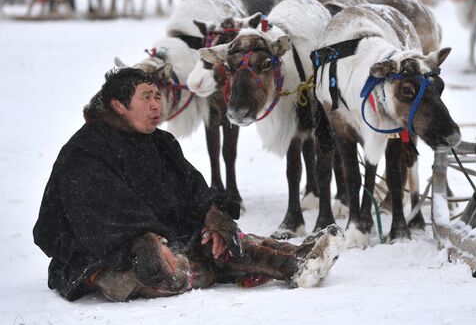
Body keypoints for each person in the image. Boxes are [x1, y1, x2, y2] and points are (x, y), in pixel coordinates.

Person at [33, 68, 344, 302]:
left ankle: (296, 258)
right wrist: (142, 241)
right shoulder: (87, 150)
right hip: (100, 257)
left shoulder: (160, 142)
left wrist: (213, 218)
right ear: (118, 105)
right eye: (146, 97)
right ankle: (287, 265)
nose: (156, 105)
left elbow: (192, 191)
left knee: (217, 241)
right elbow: (97, 218)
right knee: (172, 273)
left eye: (158, 97)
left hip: (165, 240)